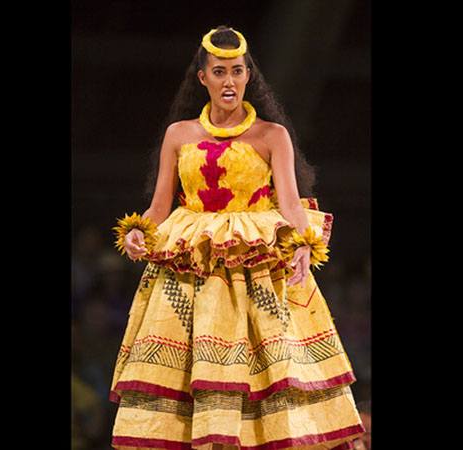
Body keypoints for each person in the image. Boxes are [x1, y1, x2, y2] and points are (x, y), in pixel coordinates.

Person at [109, 26, 365, 449]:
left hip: (256, 267)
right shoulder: (179, 135)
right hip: (194, 265)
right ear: (203, 78)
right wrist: (137, 233)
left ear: (249, 76)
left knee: (268, 373)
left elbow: (291, 205)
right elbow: (159, 208)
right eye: (220, 72)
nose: (229, 81)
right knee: (187, 375)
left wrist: (304, 244)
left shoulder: (271, 136)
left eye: (237, 71)